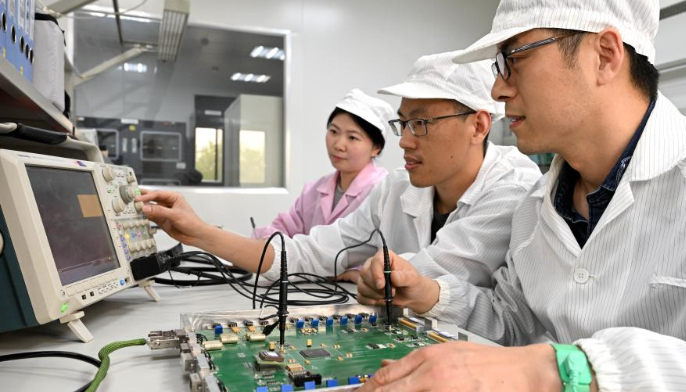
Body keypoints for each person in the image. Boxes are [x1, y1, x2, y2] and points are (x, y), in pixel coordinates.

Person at [333, 0, 686, 392]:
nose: (497, 89)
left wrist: (551, 377)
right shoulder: (536, 206)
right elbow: (514, 322)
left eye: (513, 60)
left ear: (605, 55)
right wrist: (432, 294)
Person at [136, 50, 540, 296]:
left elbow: (419, 277)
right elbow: (307, 252)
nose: (405, 142)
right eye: (402, 125)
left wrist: (354, 272)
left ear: (479, 125)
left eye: (422, 124)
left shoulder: (513, 188)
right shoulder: (398, 189)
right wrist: (198, 232)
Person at [253, 89, 391, 239]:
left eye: (352, 137)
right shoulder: (314, 190)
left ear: (376, 148)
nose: (339, 145)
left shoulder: (383, 191)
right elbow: (283, 227)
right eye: (333, 131)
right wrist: (266, 240)